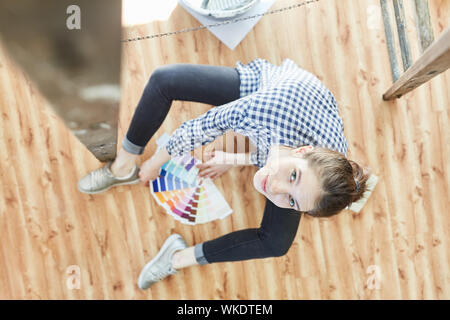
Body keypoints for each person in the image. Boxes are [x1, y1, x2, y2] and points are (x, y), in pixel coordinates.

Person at [77, 59, 370, 289]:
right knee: (164, 79)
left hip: (287, 139)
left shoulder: (316, 181)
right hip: (266, 89)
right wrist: (153, 163)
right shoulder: (263, 110)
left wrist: (235, 157)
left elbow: (276, 159)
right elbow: (197, 130)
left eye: (292, 202)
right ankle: (124, 167)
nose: (273, 188)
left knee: (277, 244)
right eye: (293, 177)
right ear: (304, 151)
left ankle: (177, 258)